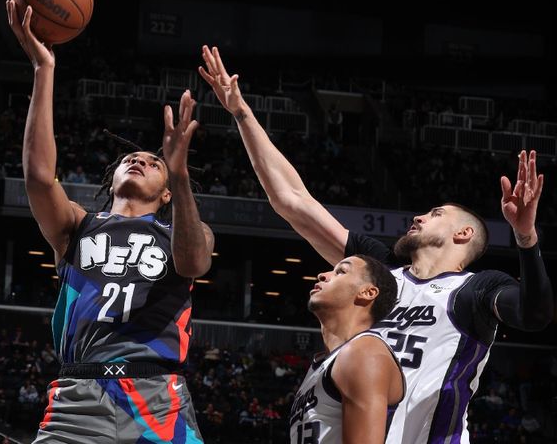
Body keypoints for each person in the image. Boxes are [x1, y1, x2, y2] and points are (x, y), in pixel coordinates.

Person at [198, 45, 554, 444]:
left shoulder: (477, 288)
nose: (419, 217)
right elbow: (293, 202)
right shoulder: (379, 273)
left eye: (435, 213)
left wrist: (526, 237)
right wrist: (242, 114)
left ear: (464, 234)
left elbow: (535, 314)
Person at [7, 0, 214, 443]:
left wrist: (179, 175)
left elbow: (195, 263)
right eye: (130, 159)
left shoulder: (179, 231)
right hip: (79, 395)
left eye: (152, 162)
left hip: (159, 397)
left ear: (165, 193)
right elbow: (39, 177)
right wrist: (44, 70)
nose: (139, 159)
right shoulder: (79, 226)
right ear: (112, 178)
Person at [290, 254, 404, 444]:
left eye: (341, 271)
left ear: (367, 292)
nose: (322, 275)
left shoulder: (364, 352)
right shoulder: (325, 362)